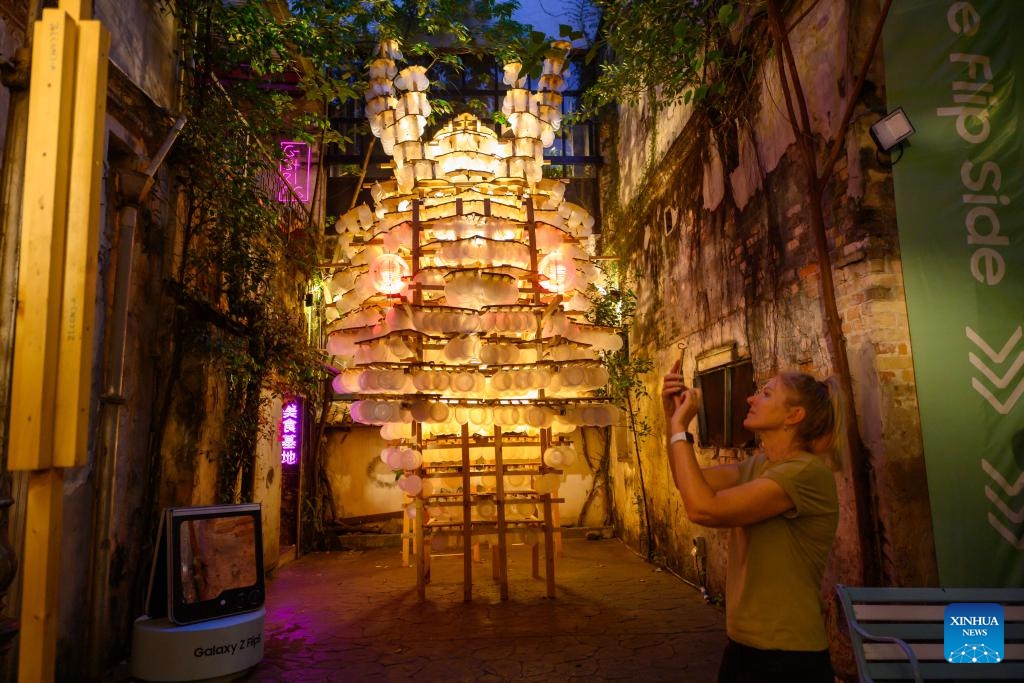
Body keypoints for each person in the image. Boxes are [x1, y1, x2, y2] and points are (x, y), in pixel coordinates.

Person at [662, 363, 842, 683]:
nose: (750, 399)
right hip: (745, 645)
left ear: (793, 415)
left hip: (788, 655)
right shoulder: (759, 466)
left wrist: (680, 428)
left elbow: (703, 509)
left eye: (766, 394)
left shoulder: (805, 472)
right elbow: (686, 480)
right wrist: (671, 417)